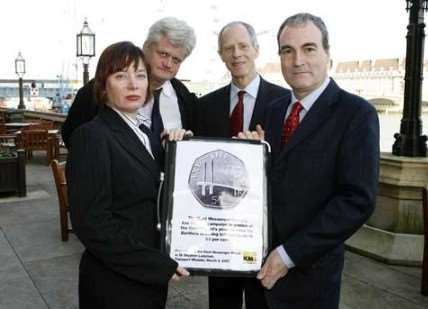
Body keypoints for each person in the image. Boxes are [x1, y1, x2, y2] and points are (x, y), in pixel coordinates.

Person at [243, 13, 379, 308]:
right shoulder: (272, 110)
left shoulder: (356, 114)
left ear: (328, 54)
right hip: (257, 273)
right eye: (287, 51)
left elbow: (357, 201)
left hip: (309, 279)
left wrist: (289, 255)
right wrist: (249, 160)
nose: (297, 61)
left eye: (309, 48)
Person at [66, 41, 190, 309]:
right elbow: (92, 223)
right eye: (121, 75)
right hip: (114, 285)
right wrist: (156, 264)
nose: (133, 84)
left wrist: (182, 150)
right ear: (103, 85)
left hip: (146, 283)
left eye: (140, 75)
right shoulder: (92, 136)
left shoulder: (145, 134)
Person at [197, 21, 289, 309]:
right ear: (221, 55)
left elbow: (293, 168)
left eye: (243, 46)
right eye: (228, 48)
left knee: (264, 301)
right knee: (222, 302)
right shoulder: (205, 106)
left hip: (266, 231)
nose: (236, 53)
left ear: (256, 50)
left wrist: (265, 153)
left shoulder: (285, 102)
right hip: (220, 230)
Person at [62, 16, 198, 149]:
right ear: (146, 47)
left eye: (176, 60)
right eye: (163, 54)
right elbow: (74, 139)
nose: (168, 64)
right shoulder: (97, 89)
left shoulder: (184, 98)